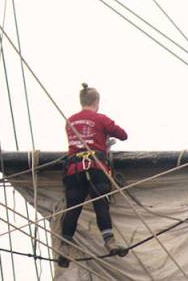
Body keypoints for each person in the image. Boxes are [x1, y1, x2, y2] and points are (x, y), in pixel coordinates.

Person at [57, 83, 128, 268]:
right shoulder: (100, 118)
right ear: (96, 102)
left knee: (73, 208)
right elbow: (123, 135)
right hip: (96, 168)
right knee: (101, 205)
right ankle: (109, 241)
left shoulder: (70, 121)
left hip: (74, 170)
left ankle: (64, 246)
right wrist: (104, 138)